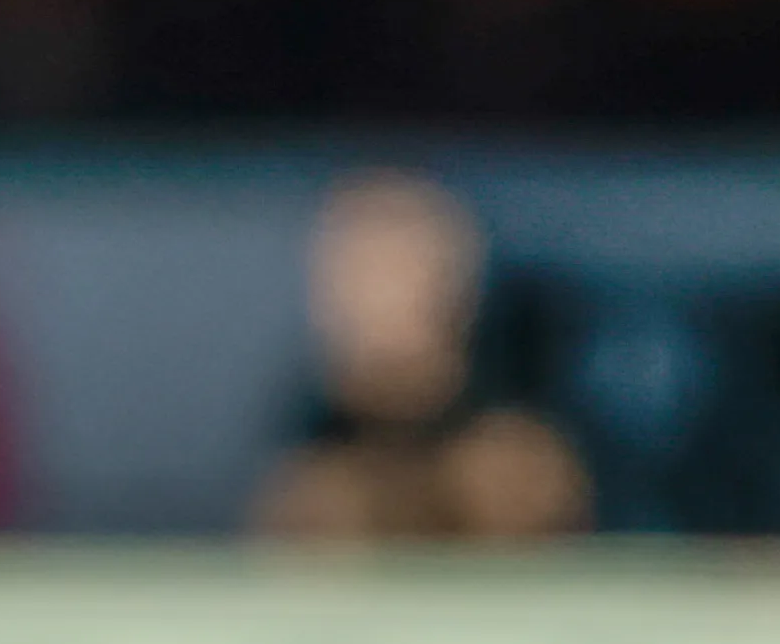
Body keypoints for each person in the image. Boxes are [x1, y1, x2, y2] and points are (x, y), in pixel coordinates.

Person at [252, 171, 588, 541]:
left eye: (398, 267)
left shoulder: (519, 468)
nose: (379, 294)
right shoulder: (306, 480)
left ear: (457, 282)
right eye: (357, 268)